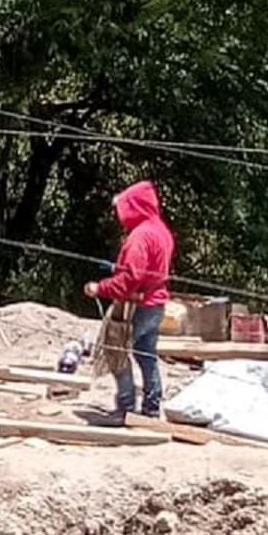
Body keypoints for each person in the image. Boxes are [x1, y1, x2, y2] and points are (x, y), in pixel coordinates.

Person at [83, 180, 174, 422]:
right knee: (146, 354)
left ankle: (125, 406)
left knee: (116, 351)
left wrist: (99, 288)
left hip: (137, 306)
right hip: (156, 303)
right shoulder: (161, 231)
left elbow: (130, 279)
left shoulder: (140, 237)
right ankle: (152, 406)